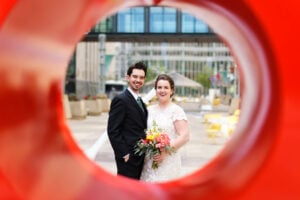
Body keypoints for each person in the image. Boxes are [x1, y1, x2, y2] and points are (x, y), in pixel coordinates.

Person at [140, 74, 190, 182]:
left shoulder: (176, 111)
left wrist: (165, 152)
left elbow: (184, 136)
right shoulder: (149, 110)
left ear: (172, 90)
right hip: (149, 160)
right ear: (155, 90)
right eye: (159, 87)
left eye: (166, 88)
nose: (162, 90)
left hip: (168, 161)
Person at [107, 61, 148, 180]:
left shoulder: (140, 101)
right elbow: (113, 130)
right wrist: (124, 153)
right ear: (128, 77)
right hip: (127, 158)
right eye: (135, 76)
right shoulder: (121, 100)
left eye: (141, 77)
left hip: (139, 157)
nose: (138, 80)